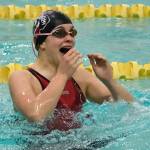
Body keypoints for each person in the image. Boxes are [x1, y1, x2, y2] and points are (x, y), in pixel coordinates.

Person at [8, 10, 133, 131]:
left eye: (72, 33)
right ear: (41, 43)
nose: (69, 38)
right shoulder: (21, 78)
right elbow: (36, 117)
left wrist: (109, 80)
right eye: (60, 33)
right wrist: (62, 75)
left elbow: (128, 107)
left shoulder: (79, 76)